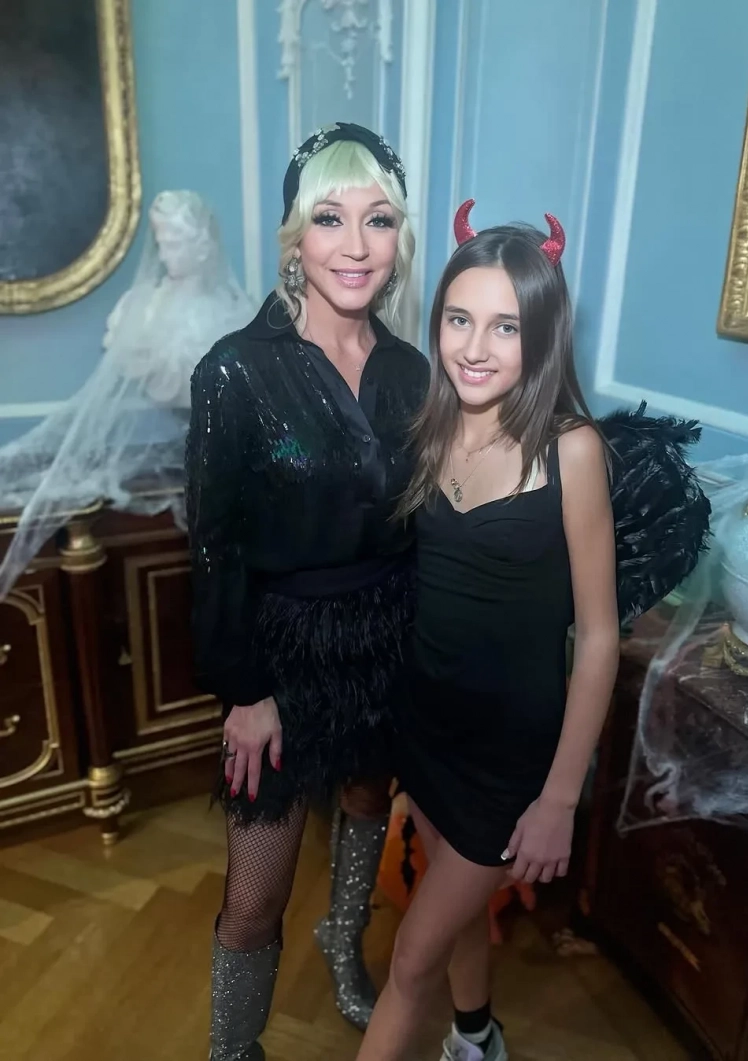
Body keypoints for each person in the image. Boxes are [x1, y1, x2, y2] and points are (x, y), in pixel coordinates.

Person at [355, 201, 711, 1061]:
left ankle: (470, 1037)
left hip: (506, 759)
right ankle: (478, 1037)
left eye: (505, 326)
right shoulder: (432, 427)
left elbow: (599, 638)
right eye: (459, 319)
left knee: (409, 961)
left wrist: (556, 799)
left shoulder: (571, 449)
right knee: (451, 910)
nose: (475, 347)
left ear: (542, 336)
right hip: (426, 724)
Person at [185, 123, 428, 1060]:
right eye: (330, 218)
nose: (356, 245)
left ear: (400, 237)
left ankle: (342, 941)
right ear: (296, 237)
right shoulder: (236, 370)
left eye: (379, 219)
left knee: (367, 803)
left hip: (388, 636)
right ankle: (233, 1047)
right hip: (279, 654)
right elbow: (214, 546)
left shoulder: (412, 370)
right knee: (255, 896)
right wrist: (245, 693)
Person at [0, 190, 254, 600]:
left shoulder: (236, 315)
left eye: (174, 244)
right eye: (162, 243)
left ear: (202, 248)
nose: (164, 254)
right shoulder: (139, 310)